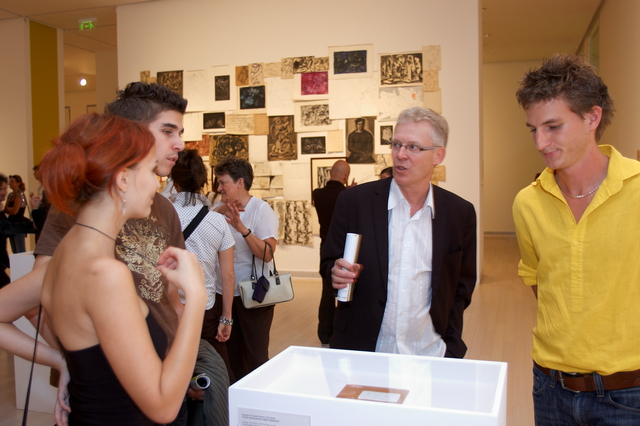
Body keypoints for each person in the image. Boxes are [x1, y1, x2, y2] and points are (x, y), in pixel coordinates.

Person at [0, 81, 190, 424]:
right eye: (167, 131)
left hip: (161, 376)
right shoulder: (86, 240)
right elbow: (45, 301)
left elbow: (169, 300)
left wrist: (185, 363)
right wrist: (68, 359)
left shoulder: (158, 211)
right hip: (118, 396)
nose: (179, 144)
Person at [39, 113, 206, 425]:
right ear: (123, 179)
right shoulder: (105, 274)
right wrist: (196, 295)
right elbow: (163, 407)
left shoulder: (66, 251)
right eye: (151, 171)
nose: (157, 184)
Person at [513, 54, 640, 425]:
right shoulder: (527, 202)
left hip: (628, 394)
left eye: (553, 126)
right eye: (533, 129)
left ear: (592, 117)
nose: (541, 142)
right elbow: (539, 281)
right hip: (550, 388)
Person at [322, 107, 477, 358]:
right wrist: (335, 273)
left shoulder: (460, 213)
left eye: (413, 147)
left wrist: (450, 342)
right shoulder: (354, 202)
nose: (400, 155)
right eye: (396, 144)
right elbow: (329, 262)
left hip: (429, 353)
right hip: (363, 352)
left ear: (438, 155)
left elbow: (462, 286)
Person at [169, 149, 236, 381]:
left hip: (169, 307)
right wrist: (226, 318)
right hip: (205, 308)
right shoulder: (217, 221)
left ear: (174, 181)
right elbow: (227, 275)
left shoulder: (164, 216)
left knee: (174, 369)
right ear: (204, 181)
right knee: (216, 373)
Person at [212, 158, 279, 382]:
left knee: (255, 355)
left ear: (240, 182)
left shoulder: (261, 210)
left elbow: (267, 253)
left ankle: (257, 395)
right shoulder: (216, 209)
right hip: (224, 293)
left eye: (223, 182)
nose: (218, 188)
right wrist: (218, 212)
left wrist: (242, 228)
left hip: (254, 294)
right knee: (231, 355)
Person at [312, 160, 352, 346]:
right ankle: (342, 330)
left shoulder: (317, 194)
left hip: (326, 247)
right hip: (345, 248)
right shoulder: (346, 195)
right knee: (346, 289)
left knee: (327, 291)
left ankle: (325, 334)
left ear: (330, 173)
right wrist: (350, 190)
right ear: (346, 177)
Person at [0, 174, 36, 287]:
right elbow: (6, 226)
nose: (4, 192)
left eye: (5, 188)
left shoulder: (19, 195)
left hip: (16, 226)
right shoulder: (12, 196)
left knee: (20, 253)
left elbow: (11, 212)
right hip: (14, 227)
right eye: (1, 189)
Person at [3, 174, 28, 253]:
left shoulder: (20, 195)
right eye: (10, 181)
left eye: (12, 182)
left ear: (18, 183)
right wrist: (11, 209)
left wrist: (10, 209)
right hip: (11, 224)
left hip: (19, 224)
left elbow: (15, 211)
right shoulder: (10, 195)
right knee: (14, 251)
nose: (10, 183)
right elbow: (5, 209)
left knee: (20, 250)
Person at [30, 164, 51, 242]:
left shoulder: (47, 187)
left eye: (36, 171)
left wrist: (35, 209)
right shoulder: (41, 187)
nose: (34, 173)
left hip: (44, 221)